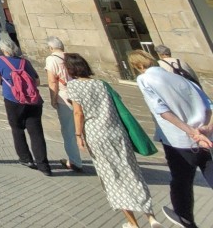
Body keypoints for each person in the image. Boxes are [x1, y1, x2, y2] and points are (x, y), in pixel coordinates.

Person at [65, 52, 164, 228]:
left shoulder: (73, 87)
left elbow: (78, 113)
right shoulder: (102, 84)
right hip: (117, 132)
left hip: (96, 135)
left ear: (70, 69)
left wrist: (78, 135)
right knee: (132, 172)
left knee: (112, 177)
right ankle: (151, 217)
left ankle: (132, 223)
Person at [131, 49, 213, 228]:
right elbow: (209, 106)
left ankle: (184, 218)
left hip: (177, 139)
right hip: (204, 138)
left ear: (138, 66)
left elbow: (163, 112)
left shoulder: (144, 79)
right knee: (207, 170)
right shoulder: (181, 78)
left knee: (181, 180)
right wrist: (206, 129)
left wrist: (191, 132)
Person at [0, 36, 50, 174]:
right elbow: (37, 81)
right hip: (33, 101)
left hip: (13, 100)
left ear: (1, 49)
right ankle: (44, 166)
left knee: (17, 129)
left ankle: (26, 158)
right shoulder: (25, 62)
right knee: (36, 133)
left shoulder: (0, 61)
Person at [45, 36, 85, 172]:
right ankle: (100, 159)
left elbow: (52, 81)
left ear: (51, 48)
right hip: (83, 95)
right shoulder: (74, 58)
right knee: (87, 129)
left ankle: (75, 161)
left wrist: (53, 98)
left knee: (69, 131)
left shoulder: (51, 59)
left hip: (66, 97)